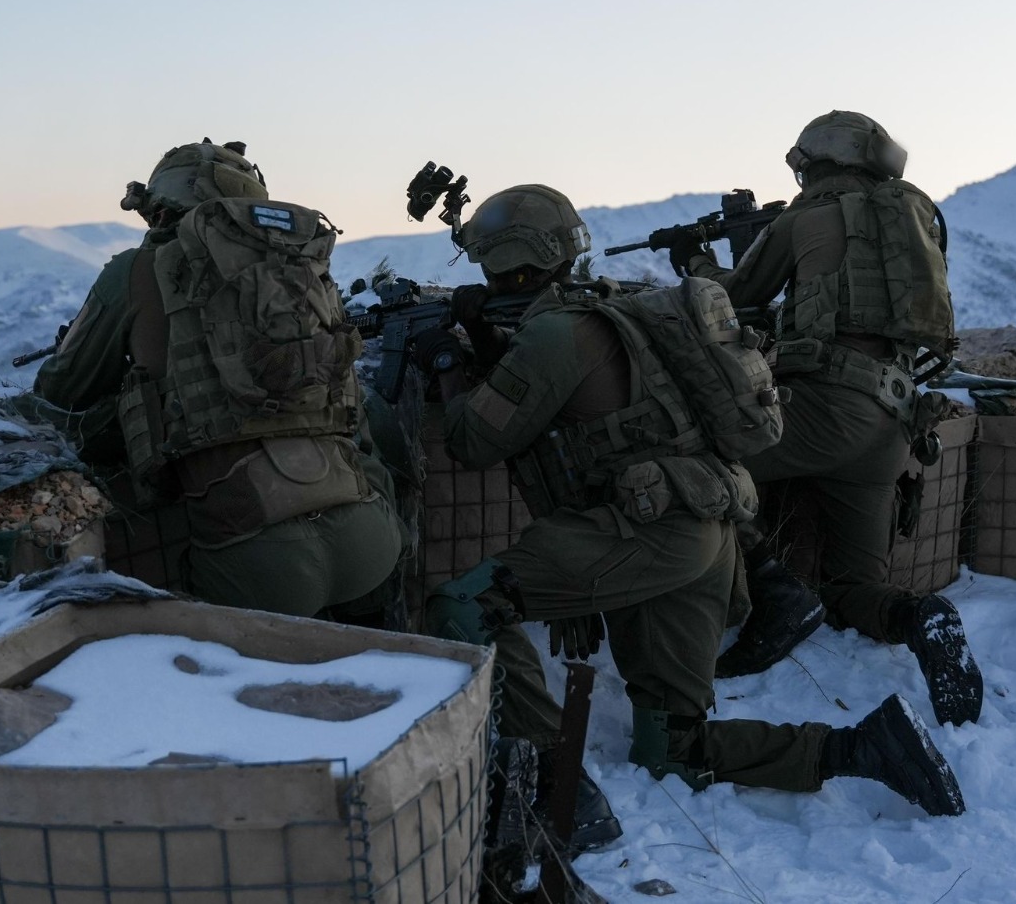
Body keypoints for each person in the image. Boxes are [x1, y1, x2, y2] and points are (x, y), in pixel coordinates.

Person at [421, 184, 966, 853]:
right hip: (709, 532)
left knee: (465, 607)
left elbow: (472, 441)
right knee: (672, 748)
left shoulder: (553, 334)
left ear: (503, 261)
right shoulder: (619, 310)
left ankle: (550, 786)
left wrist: (448, 365)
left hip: (644, 533)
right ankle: (862, 747)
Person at [671, 111, 984, 729]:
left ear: (812, 163)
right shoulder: (911, 218)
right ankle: (918, 619)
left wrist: (697, 263)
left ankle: (776, 594)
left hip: (823, 413)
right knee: (850, 591)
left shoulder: (807, 214)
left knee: (700, 467)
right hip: (891, 428)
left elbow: (736, 294)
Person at [34, 139, 404, 624]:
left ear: (160, 209)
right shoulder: (305, 275)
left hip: (254, 561)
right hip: (370, 540)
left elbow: (61, 393)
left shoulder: (137, 268)